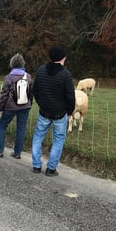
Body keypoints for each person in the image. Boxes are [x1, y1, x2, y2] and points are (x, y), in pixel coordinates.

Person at [31, 46, 75, 176]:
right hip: (59, 114)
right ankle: (51, 169)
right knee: (58, 140)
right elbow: (70, 96)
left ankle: (36, 166)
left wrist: (41, 103)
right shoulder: (65, 75)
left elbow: (35, 90)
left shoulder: (41, 70)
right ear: (62, 59)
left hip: (44, 112)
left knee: (38, 137)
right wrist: (70, 111)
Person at [0, 53, 33, 159]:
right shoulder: (28, 76)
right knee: (21, 128)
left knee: (2, 125)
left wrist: (1, 107)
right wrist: (30, 104)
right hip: (25, 106)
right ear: (23, 63)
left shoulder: (9, 77)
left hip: (10, 106)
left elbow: (4, 94)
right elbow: (31, 92)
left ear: (12, 64)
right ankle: (17, 152)